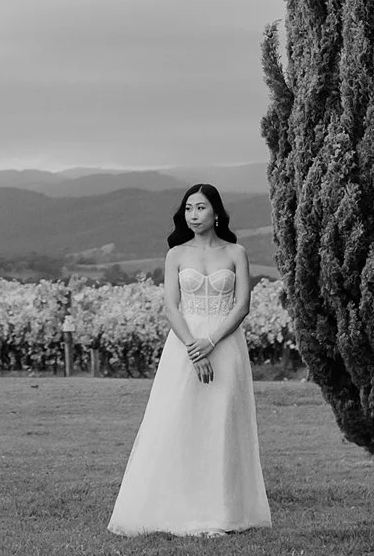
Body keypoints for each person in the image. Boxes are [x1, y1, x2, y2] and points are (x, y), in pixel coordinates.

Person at [108, 183, 272, 535]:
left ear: (216, 212)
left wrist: (210, 342)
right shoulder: (176, 255)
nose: (193, 215)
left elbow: (242, 305)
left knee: (222, 423)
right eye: (188, 208)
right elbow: (171, 306)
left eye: (200, 208)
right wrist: (193, 348)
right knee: (178, 419)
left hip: (225, 343)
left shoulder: (236, 252)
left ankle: (222, 511)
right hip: (184, 345)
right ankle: (174, 504)